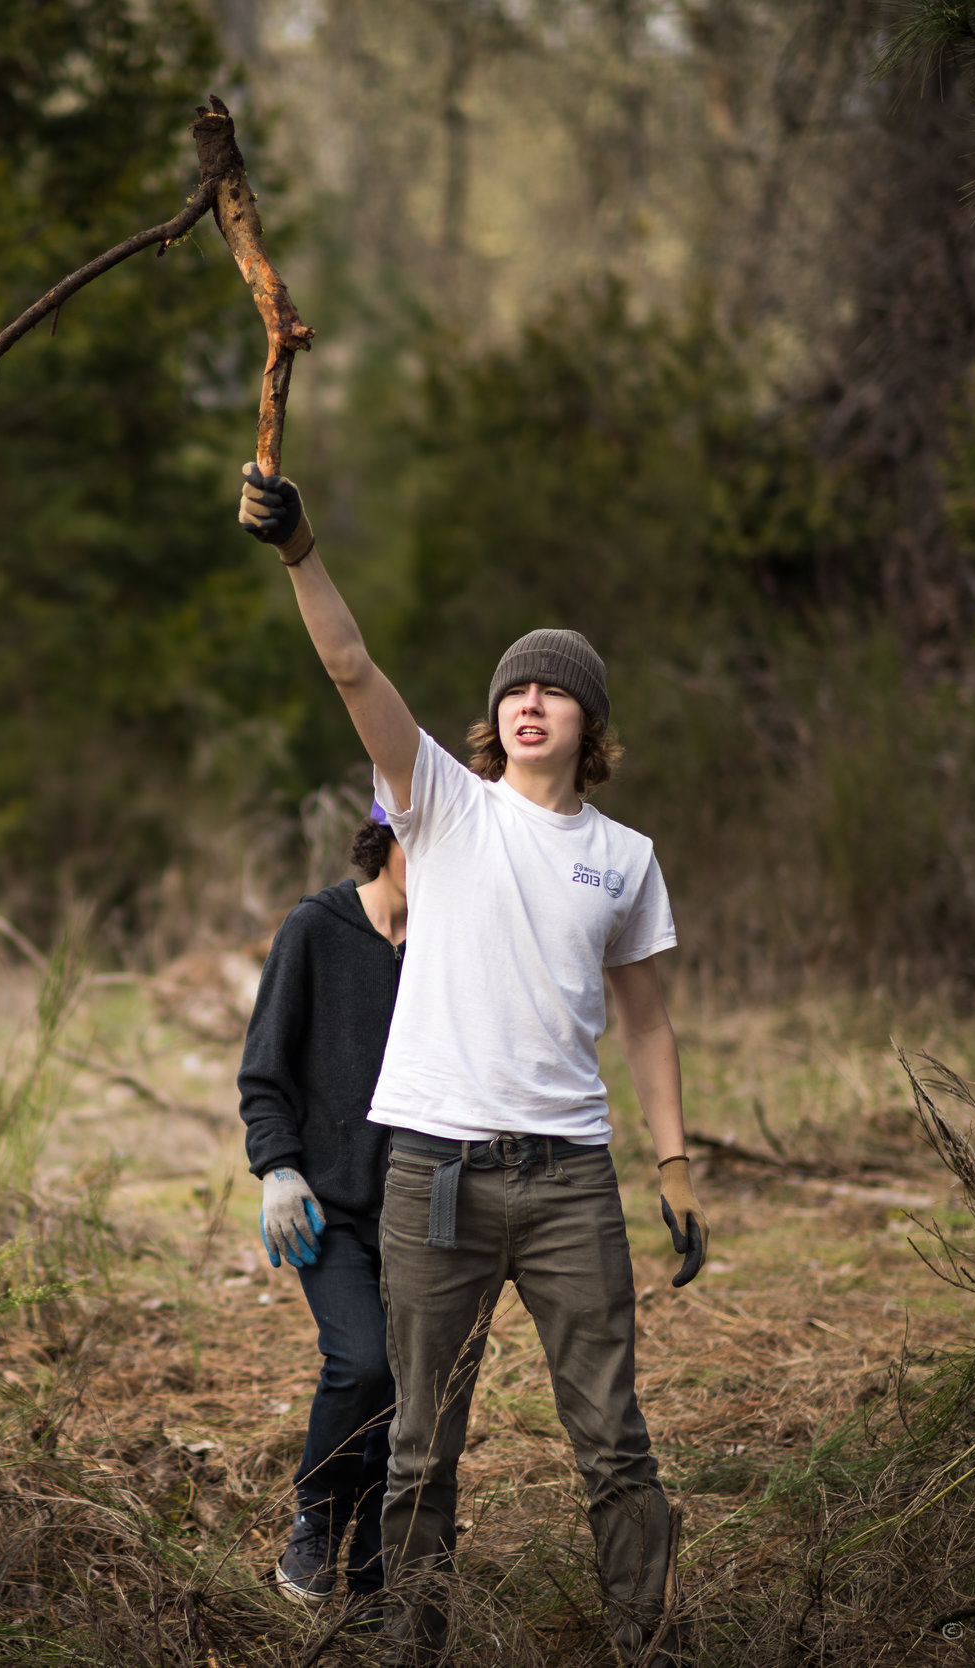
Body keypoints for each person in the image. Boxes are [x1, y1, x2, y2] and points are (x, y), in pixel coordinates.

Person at [237, 464, 709, 1668]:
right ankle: (411, 1641)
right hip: (432, 1178)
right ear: (490, 719)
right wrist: (302, 555)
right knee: (420, 1443)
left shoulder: (625, 858)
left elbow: (645, 1021)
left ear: (589, 725)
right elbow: (353, 669)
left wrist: (674, 1161)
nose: (531, 702)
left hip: (567, 1186)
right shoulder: (439, 805)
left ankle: (641, 1641)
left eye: (556, 690)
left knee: (611, 1439)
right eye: (514, 689)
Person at [241, 805, 409, 1613]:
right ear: (388, 842)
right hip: (325, 1207)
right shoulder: (315, 927)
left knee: (411, 1389)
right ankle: (316, 1518)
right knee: (363, 1362)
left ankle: (377, 1567)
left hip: (423, 1208)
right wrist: (277, 1167)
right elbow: (264, 1069)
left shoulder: (451, 947)